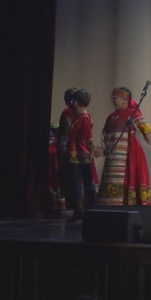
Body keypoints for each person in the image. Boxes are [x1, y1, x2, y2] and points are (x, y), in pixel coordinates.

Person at [95, 87, 151, 206]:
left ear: (124, 100)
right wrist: (102, 148)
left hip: (128, 155)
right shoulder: (110, 118)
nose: (113, 101)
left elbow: (146, 129)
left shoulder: (133, 114)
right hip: (112, 158)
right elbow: (105, 137)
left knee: (128, 179)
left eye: (115, 98)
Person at [65, 89, 97, 221]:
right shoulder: (79, 117)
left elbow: (88, 136)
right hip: (77, 153)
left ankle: (85, 209)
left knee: (80, 182)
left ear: (76, 102)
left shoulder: (83, 118)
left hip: (79, 154)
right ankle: (86, 209)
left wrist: (92, 149)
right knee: (82, 181)